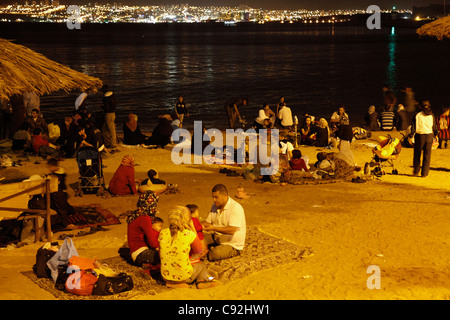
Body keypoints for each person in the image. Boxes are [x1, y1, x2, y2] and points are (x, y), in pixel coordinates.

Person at [159, 206, 219, 289]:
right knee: (201, 265)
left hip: (165, 276)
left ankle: (171, 283)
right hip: (184, 277)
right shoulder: (188, 234)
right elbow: (199, 250)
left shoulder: (162, 233)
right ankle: (201, 281)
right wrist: (193, 228)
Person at [202, 184, 246, 262]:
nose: (214, 200)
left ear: (225, 195)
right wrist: (195, 224)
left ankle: (234, 251)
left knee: (213, 254)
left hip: (232, 244)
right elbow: (207, 222)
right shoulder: (215, 206)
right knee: (196, 241)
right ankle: (213, 246)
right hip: (217, 238)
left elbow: (231, 230)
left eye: (216, 197)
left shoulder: (235, 208)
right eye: (213, 197)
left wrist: (213, 228)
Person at [126, 190, 161, 268]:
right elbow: (153, 243)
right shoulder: (145, 218)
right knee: (169, 255)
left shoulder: (136, 214)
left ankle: (148, 265)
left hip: (135, 253)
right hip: (141, 254)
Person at [46, 158, 77, 230]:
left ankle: (65, 223)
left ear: (54, 166)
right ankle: (70, 211)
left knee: (60, 208)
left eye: (50, 167)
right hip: (61, 193)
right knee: (65, 207)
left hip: (58, 194)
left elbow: (55, 185)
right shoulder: (59, 172)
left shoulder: (56, 176)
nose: (49, 168)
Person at [410, 101, 439, 178]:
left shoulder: (417, 115)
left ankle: (416, 171)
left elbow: (413, 126)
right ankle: (424, 173)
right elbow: (434, 126)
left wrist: (411, 135)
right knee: (427, 155)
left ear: (420, 106)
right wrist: (436, 134)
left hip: (419, 135)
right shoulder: (431, 115)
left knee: (417, 154)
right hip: (429, 136)